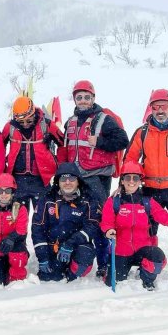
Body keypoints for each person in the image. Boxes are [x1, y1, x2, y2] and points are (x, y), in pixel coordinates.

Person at [57, 80, 128, 277]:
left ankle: (104, 262)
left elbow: (123, 140)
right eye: (79, 97)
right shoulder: (70, 121)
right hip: (77, 177)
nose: (83, 101)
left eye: (87, 97)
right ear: (74, 99)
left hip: (98, 176)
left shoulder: (104, 119)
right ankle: (82, 255)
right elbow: (65, 148)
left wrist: (100, 141)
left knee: (100, 218)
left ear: (93, 98)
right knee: (80, 218)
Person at [124, 89, 168, 278]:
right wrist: (129, 183)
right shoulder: (142, 132)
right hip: (150, 189)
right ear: (150, 109)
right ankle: (148, 263)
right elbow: (130, 160)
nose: (160, 110)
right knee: (147, 228)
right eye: (156, 106)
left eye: (164, 106)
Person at [100, 161, 168, 290]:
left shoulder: (147, 202)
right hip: (121, 250)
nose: (131, 181)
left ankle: (145, 277)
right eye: (127, 177)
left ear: (140, 181)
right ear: (122, 180)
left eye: (135, 178)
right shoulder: (114, 201)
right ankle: (113, 268)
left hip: (142, 249)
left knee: (157, 258)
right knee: (113, 281)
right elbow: (106, 222)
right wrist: (109, 230)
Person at [31, 163, 101, 282]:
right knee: (50, 277)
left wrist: (69, 244)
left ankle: (72, 277)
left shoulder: (89, 200)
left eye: (72, 178)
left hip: (75, 247)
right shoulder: (47, 199)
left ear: (78, 181)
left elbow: (92, 227)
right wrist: (43, 257)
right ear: (58, 182)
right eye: (63, 178)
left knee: (85, 256)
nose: (67, 182)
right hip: (54, 248)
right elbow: (37, 229)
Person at [2, 96, 63, 211]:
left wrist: (59, 165)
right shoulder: (10, 127)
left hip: (41, 180)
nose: (25, 124)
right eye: (21, 121)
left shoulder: (47, 125)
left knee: (43, 217)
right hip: (17, 179)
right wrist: (3, 169)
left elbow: (63, 144)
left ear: (34, 113)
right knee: (18, 218)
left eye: (29, 120)